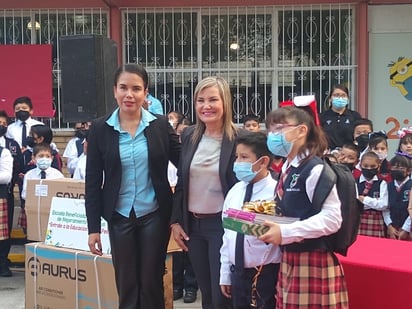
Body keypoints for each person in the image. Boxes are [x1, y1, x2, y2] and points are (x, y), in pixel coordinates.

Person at [85, 64, 180, 309]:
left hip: (154, 215)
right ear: (114, 91)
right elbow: (93, 181)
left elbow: (184, 163)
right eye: (123, 88)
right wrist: (93, 228)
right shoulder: (99, 128)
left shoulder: (159, 125)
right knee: (126, 282)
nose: (129, 94)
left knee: (151, 282)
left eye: (136, 89)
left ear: (145, 92)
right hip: (119, 216)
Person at [260, 106, 348, 308]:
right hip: (290, 258)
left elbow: (333, 219)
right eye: (270, 130)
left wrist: (286, 231)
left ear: (302, 130)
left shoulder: (315, 169)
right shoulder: (288, 167)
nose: (273, 136)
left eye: (280, 128)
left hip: (312, 261)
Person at [170, 76, 239, 309]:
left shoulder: (239, 139)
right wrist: (176, 221)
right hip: (194, 227)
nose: (206, 106)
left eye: (212, 100)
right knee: (207, 294)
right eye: (200, 100)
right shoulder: (189, 135)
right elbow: (181, 181)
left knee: (223, 295)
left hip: (223, 226)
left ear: (225, 102)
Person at [220, 131, 281, 309]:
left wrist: (241, 221)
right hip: (237, 273)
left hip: (265, 273)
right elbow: (228, 235)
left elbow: (269, 231)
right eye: (236, 157)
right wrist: (225, 273)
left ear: (263, 161)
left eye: (244, 157)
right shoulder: (235, 191)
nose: (238, 163)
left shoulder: (276, 192)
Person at [0, 110, 23, 276]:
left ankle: (2, 263)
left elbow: (7, 175)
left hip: (3, 193)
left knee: (3, 232)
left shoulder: (9, 147)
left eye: (3, 123)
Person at [355, 152, 388, 237]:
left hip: (376, 220)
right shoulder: (354, 182)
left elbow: (383, 205)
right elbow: (353, 203)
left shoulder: (382, 183)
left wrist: (365, 200)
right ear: (360, 165)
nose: (369, 169)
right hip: (356, 219)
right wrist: (375, 202)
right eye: (365, 166)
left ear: (378, 166)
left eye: (373, 166)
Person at [319, 84, 361, 150]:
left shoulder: (354, 116)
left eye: (343, 95)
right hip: (328, 155)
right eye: (336, 95)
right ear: (330, 99)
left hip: (349, 155)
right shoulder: (322, 117)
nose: (340, 98)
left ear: (347, 99)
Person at [383, 155, 411, 240]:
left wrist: (405, 229)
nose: (397, 170)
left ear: (409, 171)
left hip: (409, 228)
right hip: (391, 228)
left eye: (401, 168)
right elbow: (385, 208)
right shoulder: (387, 185)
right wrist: (389, 226)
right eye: (394, 167)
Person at [0, 142, 14, 277]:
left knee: (1, 236)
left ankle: (2, 264)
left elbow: (6, 177)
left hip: (0, 196)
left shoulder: (3, 152)